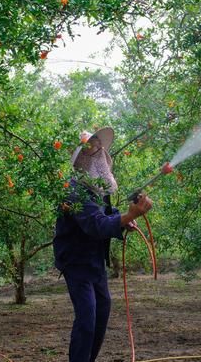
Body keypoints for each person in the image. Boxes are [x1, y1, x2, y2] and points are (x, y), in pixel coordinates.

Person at [54, 127, 153, 362]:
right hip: (76, 262)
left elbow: (107, 214)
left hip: (95, 260)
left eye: (99, 147)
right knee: (87, 318)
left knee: (102, 312)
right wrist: (128, 217)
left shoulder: (98, 190)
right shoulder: (73, 191)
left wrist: (122, 221)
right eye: (92, 149)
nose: (98, 152)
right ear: (81, 159)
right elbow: (95, 225)